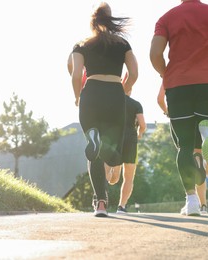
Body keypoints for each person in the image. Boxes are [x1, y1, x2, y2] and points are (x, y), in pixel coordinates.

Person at [150, 0, 208, 216]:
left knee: (184, 147)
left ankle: (192, 201)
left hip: (178, 88)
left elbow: (155, 54)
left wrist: (168, 75)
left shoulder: (166, 18)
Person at [70, 2, 138, 217]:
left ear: (92, 21)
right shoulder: (122, 44)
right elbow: (134, 73)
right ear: (111, 20)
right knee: (114, 154)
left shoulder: (81, 45)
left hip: (91, 93)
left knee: (94, 154)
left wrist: (78, 96)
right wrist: (124, 90)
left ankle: (100, 204)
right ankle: (100, 146)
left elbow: (75, 74)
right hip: (114, 95)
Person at [157, 83, 208, 214]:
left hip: (184, 114)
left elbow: (160, 99)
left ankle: (199, 204)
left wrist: (167, 112)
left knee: (193, 159)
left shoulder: (172, 74)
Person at [106, 85, 146, 214]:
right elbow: (143, 125)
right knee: (128, 177)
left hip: (115, 139)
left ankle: (101, 196)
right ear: (130, 89)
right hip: (130, 141)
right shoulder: (136, 104)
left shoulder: (112, 102)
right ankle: (121, 207)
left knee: (114, 179)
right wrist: (139, 134)